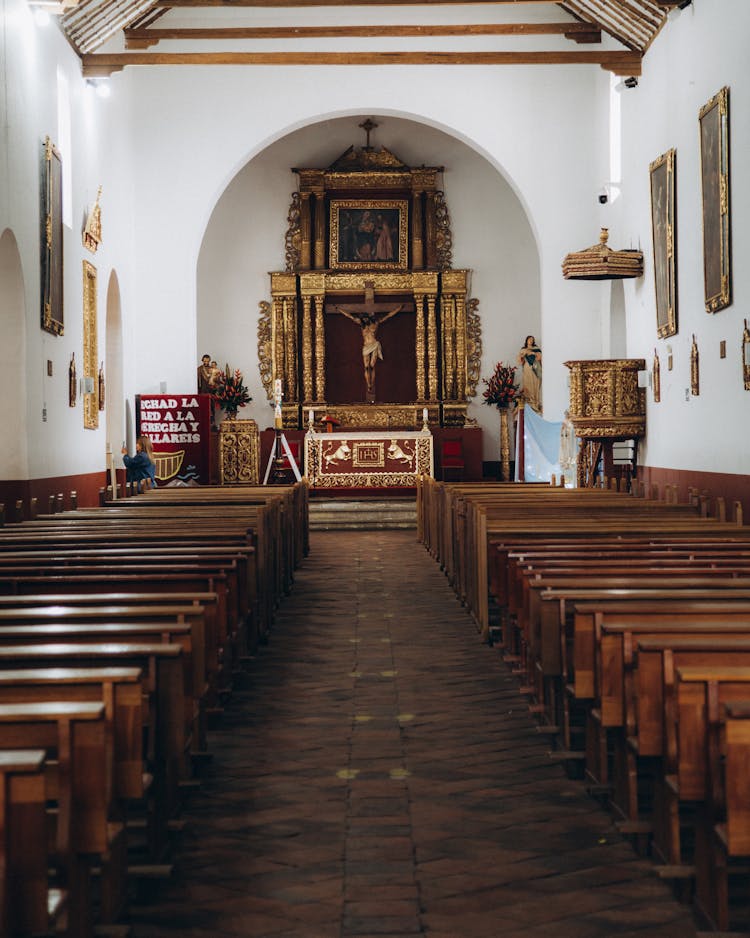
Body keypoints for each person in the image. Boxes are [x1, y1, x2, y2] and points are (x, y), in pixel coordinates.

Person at [333, 304, 403, 397]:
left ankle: (371, 384)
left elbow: (388, 315)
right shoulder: (362, 325)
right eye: (364, 318)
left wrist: (398, 309)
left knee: (372, 366)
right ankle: (369, 384)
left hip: (374, 345)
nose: (365, 319)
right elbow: (349, 316)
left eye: (366, 318)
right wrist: (339, 309)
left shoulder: (376, 323)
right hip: (366, 346)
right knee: (366, 367)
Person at [518, 335, 542, 413]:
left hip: (535, 368)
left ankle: (536, 403)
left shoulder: (537, 349)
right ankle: (529, 403)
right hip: (527, 368)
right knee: (528, 384)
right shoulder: (523, 349)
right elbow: (520, 360)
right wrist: (524, 354)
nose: (531, 341)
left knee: (535, 384)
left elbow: (540, 358)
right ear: (526, 340)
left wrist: (533, 354)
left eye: (532, 340)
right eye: (529, 339)